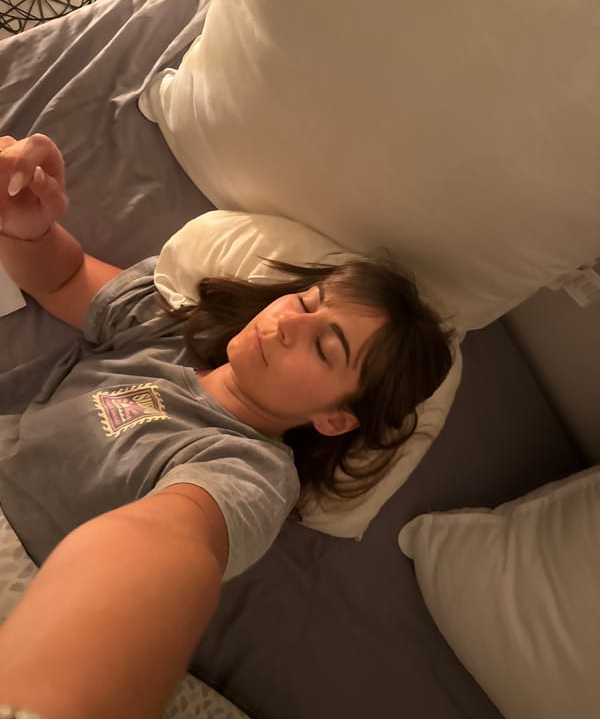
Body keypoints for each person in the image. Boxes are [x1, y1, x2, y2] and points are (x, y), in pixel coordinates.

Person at [0, 134, 454, 719]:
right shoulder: (166, 327)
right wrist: (27, 227)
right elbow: (63, 279)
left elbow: (173, 539)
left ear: (335, 418)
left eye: (325, 347)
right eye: (309, 301)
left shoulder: (249, 472)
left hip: (35, 591)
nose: (290, 321)